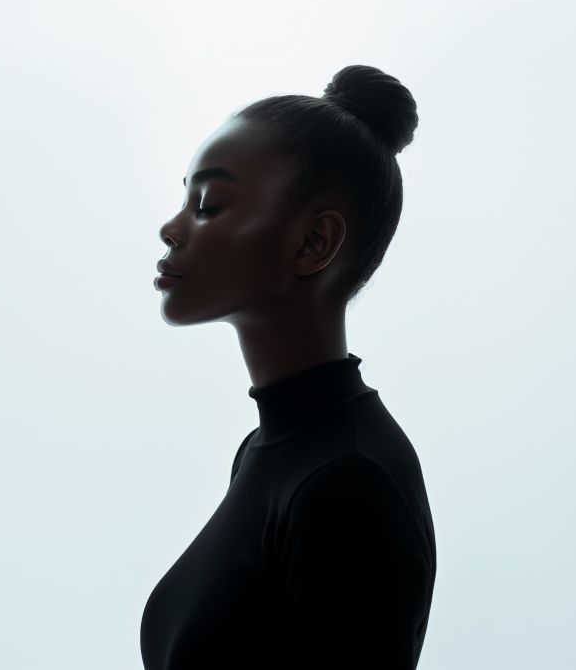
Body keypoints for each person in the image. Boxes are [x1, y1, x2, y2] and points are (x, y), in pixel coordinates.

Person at [141, 65, 437, 668]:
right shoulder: (267, 451)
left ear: (312, 244)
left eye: (209, 204)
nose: (171, 229)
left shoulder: (349, 481)